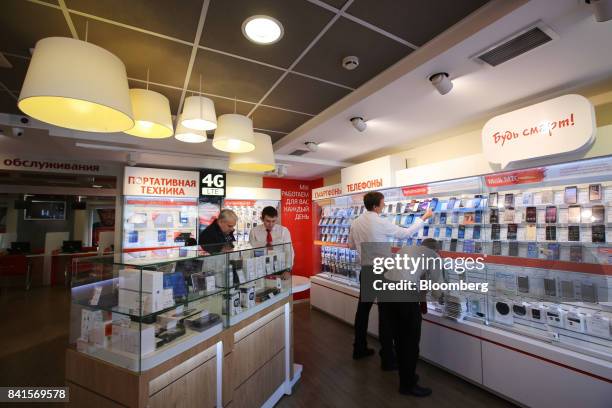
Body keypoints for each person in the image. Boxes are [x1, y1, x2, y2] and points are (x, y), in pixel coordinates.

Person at [348, 191, 433, 369]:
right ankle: (387, 358)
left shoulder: (355, 223)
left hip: (366, 271)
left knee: (362, 312)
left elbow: (350, 245)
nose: (384, 205)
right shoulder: (379, 221)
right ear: (376, 206)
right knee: (386, 316)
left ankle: (359, 348)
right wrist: (424, 217)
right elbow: (405, 234)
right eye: (383, 203)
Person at [382, 238, 445, 397]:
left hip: (386, 291)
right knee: (410, 342)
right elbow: (436, 289)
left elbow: (419, 278)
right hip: (404, 294)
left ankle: (405, 375)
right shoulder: (434, 256)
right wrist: (443, 298)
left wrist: (422, 301)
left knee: (398, 338)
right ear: (436, 250)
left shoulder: (407, 249)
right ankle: (407, 385)